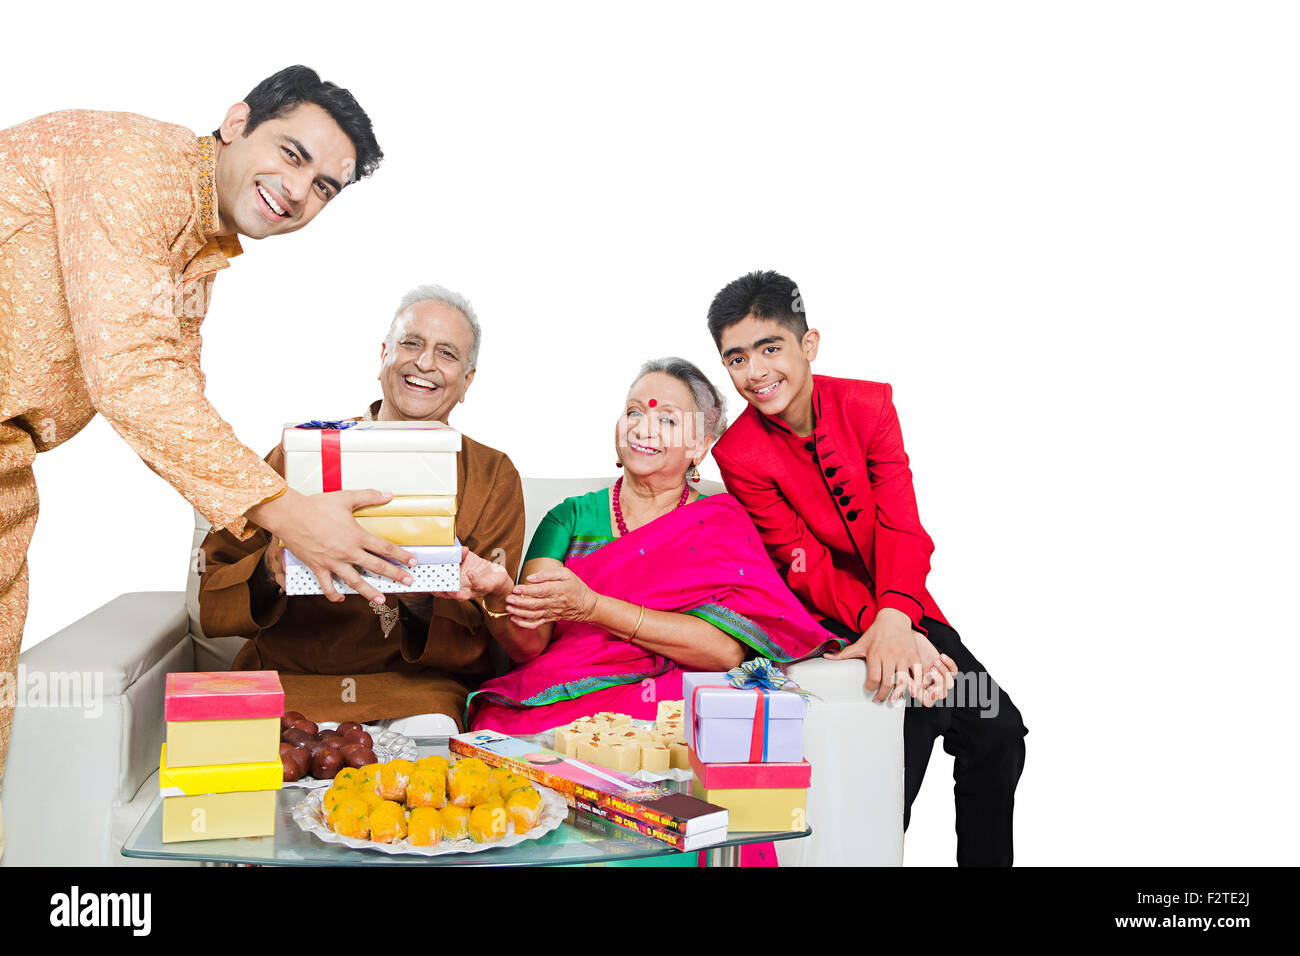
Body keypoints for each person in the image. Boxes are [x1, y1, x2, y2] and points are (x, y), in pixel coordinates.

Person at [0, 65, 412, 855]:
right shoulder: (132, 166)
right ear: (236, 120)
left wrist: (277, 525)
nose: (298, 192)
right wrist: (286, 510)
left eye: (325, 186)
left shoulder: (198, 246)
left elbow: (173, 380)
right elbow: (131, 373)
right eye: (292, 155)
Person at [707, 270, 1028, 866]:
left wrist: (897, 618)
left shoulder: (869, 405)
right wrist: (878, 626)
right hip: (831, 622)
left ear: (809, 345)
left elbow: (903, 526)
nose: (755, 371)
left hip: (907, 609)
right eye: (737, 357)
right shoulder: (740, 453)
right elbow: (800, 562)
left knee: (997, 728)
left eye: (770, 347)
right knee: (899, 747)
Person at [199, 286, 526, 733]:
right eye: (411, 343)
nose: (425, 363)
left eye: (446, 353)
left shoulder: (492, 475)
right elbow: (214, 584)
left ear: (467, 382)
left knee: (427, 758)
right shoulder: (303, 451)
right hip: (293, 679)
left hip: (414, 689)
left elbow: (482, 628)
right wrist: (269, 569)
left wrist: (418, 596)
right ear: (383, 355)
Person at [467, 357, 843, 734]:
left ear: (699, 446)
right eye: (634, 412)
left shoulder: (720, 523)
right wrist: (500, 594)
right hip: (559, 696)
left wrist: (594, 607)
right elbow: (528, 648)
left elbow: (723, 652)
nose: (644, 428)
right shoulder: (569, 519)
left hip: (668, 704)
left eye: (667, 420)